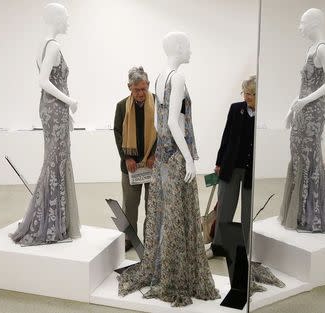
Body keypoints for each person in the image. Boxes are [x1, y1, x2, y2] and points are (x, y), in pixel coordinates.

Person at [117, 32, 220, 307]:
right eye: (187, 45)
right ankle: (176, 277)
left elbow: (157, 123)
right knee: (176, 215)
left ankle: (163, 269)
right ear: (177, 47)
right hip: (175, 156)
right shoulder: (177, 77)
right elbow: (174, 121)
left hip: (163, 156)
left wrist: (162, 149)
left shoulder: (161, 77)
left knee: (164, 214)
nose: (190, 50)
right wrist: (189, 158)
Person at [10, 3, 81, 245]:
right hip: (55, 109)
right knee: (56, 162)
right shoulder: (54, 47)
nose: (69, 22)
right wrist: (70, 101)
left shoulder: (41, 45)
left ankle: (55, 223)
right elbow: (43, 81)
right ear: (57, 18)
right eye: (67, 18)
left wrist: (66, 112)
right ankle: (52, 226)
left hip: (50, 109)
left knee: (54, 161)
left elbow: (46, 81)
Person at [280, 8, 325, 233]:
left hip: (314, 112)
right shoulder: (310, 49)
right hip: (302, 109)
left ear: (314, 23)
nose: (300, 27)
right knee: (298, 157)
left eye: (302, 23)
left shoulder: (322, 49)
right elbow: (304, 86)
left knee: (309, 159)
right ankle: (299, 213)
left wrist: (305, 101)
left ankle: (313, 216)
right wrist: (292, 108)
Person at [209, 75, 256, 257]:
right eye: (245, 93)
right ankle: (218, 247)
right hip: (231, 167)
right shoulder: (236, 109)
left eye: (251, 94)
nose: (247, 97)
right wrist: (219, 162)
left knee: (247, 211)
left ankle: (246, 249)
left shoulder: (263, 114)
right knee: (224, 208)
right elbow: (226, 136)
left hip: (251, 169)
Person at [114, 66, 157, 252]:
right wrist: (127, 157)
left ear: (148, 85)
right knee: (130, 205)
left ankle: (151, 239)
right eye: (137, 89)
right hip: (131, 166)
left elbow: (163, 131)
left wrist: (155, 154)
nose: (141, 93)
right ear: (129, 87)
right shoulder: (122, 106)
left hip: (152, 163)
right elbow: (118, 132)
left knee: (153, 205)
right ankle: (129, 239)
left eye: (144, 88)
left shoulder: (157, 102)